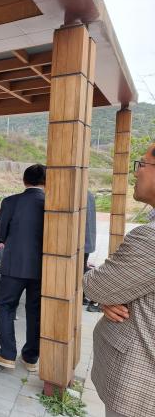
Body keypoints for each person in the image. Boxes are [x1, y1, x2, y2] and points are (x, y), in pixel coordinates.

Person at [83, 144, 155, 417]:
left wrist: (108, 292)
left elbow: (96, 284)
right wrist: (112, 293)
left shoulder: (149, 237)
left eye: (142, 165)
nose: (136, 173)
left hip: (139, 389)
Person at [0, 164, 46, 372]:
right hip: (42, 268)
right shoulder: (51, 203)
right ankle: (31, 358)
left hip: (14, 265)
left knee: (6, 307)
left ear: (24, 181)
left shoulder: (11, 201)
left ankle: (7, 355)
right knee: (35, 312)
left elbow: (0, 234)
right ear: (47, 182)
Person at [83, 190, 99, 312]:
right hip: (87, 240)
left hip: (79, 241)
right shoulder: (88, 193)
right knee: (81, 269)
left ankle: (93, 298)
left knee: (80, 271)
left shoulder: (77, 193)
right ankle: (84, 296)